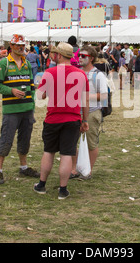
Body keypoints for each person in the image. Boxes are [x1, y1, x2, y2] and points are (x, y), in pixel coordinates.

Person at [33, 42, 90, 200]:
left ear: (58, 55)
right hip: (72, 119)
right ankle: (62, 190)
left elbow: (40, 96)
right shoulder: (81, 74)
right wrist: (85, 120)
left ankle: (42, 185)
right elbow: (85, 101)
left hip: (53, 118)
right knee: (67, 154)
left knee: (48, 152)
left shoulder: (50, 72)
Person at [0, 34, 40, 185]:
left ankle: (23, 166)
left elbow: (31, 85)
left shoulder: (26, 64)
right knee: (6, 138)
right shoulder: (4, 63)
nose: (21, 48)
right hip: (11, 109)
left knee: (25, 138)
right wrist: (11, 91)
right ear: (11, 46)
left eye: (23, 45)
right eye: (18, 45)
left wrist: (32, 105)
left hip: (27, 108)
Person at [70, 45, 108, 180]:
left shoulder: (98, 75)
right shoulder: (76, 72)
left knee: (91, 143)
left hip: (92, 112)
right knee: (72, 142)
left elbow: (103, 96)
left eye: (83, 56)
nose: (79, 58)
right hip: (76, 112)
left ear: (91, 58)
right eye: (79, 55)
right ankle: (74, 169)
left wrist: (85, 96)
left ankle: (88, 171)